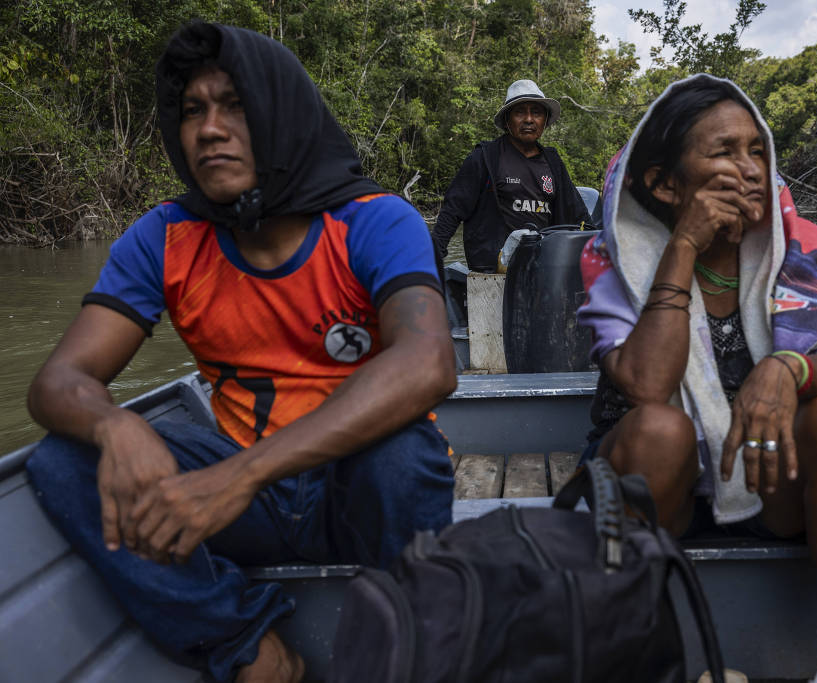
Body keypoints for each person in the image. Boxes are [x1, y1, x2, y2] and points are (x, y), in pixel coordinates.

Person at [24, 22, 457, 683]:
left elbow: (428, 363)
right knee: (64, 458)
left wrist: (242, 474)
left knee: (404, 455)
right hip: (249, 503)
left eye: (234, 105)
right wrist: (114, 424)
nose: (209, 130)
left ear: (280, 115)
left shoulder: (373, 219)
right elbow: (57, 381)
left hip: (351, 492)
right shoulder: (165, 237)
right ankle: (249, 643)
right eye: (192, 111)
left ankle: (406, 651)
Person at [576, 74, 817, 681]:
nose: (750, 170)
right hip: (655, 483)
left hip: (766, 474)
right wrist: (686, 243)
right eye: (723, 152)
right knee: (660, 430)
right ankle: (642, 663)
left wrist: (786, 365)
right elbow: (644, 385)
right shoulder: (615, 261)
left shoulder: (804, 254)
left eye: (757, 150)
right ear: (665, 184)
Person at [432, 78, 591, 272]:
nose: (529, 119)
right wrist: (431, 260)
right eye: (520, 112)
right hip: (493, 272)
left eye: (537, 112)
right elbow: (452, 210)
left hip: (545, 270)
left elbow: (579, 216)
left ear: (545, 120)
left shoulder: (553, 162)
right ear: (507, 121)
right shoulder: (485, 157)